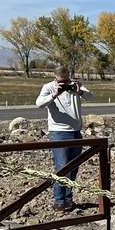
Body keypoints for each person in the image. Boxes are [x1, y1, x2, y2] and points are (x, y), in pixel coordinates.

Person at [35, 64, 92, 212]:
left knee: (73, 168)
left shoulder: (76, 85)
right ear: (55, 78)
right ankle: (59, 201)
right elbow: (39, 104)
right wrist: (54, 94)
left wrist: (78, 91)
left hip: (75, 131)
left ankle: (68, 199)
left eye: (66, 81)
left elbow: (91, 97)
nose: (65, 85)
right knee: (62, 167)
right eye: (62, 82)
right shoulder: (48, 87)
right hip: (58, 132)